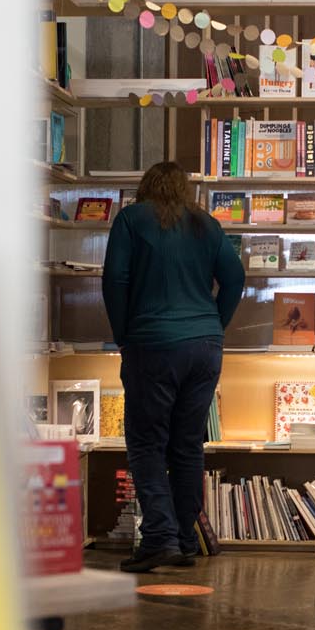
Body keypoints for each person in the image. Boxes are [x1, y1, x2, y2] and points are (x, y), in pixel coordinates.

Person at [102, 161, 244, 573]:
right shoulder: (206, 223)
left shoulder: (130, 220)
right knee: (186, 446)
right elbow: (235, 278)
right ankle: (184, 539)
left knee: (146, 442)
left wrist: (124, 334)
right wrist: (215, 325)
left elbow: (114, 281)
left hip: (152, 343)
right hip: (204, 348)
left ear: (145, 187)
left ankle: (160, 537)